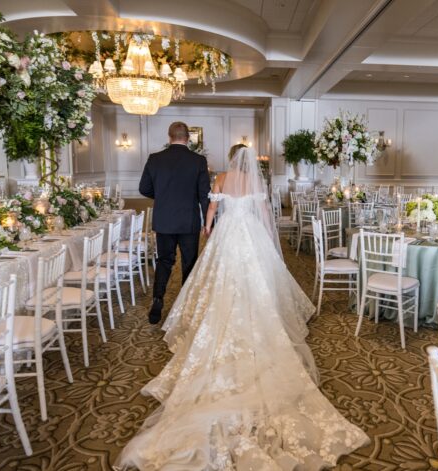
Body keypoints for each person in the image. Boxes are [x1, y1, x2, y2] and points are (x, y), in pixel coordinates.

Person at [118, 147, 368, 470]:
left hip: (227, 236)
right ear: (248, 161)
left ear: (231, 158)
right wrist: (267, 238)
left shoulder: (221, 177)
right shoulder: (255, 182)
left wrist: (208, 228)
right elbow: (265, 216)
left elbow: (211, 208)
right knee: (256, 283)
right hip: (249, 235)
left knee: (217, 281)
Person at [139, 121, 211, 324]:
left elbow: (144, 188)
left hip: (164, 220)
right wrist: (208, 222)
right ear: (188, 138)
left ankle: (157, 300)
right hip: (188, 221)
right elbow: (204, 195)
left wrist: (161, 196)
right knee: (189, 263)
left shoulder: (155, 159)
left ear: (169, 136)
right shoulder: (198, 161)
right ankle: (186, 306)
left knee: (164, 261)